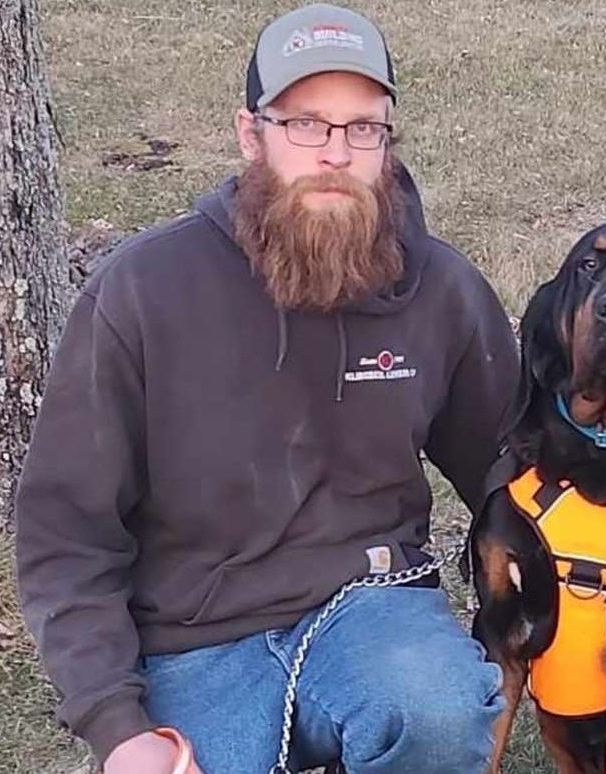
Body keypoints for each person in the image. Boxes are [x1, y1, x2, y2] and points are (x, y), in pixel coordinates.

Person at [15, 4, 519, 773]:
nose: (335, 153)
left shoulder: (440, 291)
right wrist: (119, 729)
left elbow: (513, 475)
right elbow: (67, 534)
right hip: (191, 644)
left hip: (372, 610)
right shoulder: (143, 292)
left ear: (386, 140)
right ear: (252, 135)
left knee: (439, 714)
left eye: (362, 129)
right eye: (305, 126)